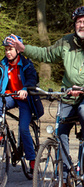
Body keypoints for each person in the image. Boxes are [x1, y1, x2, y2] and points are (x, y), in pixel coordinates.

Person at [7, 6, 84, 177]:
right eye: (78, 22)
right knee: (60, 130)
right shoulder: (66, 42)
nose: (81, 25)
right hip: (69, 94)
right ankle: (67, 171)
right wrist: (24, 49)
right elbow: (46, 54)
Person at [0, 35, 39, 174]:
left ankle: (32, 159)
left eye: (11, 49)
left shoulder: (27, 64)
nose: (8, 52)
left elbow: (32, 78)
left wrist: (25, 89)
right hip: (9, 97)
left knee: (23, 129)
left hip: (24, 99)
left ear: (18, 50)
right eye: (6, 50)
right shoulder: (3, 64)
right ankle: (1, 131)